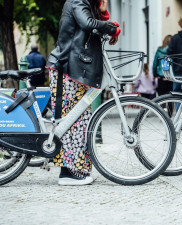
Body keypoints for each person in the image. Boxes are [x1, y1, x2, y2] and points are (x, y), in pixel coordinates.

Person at [46, 0, 121, 185]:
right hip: (67, 67)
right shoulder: (77, 1)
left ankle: (78, 168)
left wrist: (103, 15)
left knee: (80, 120)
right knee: (72, 121)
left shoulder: (85, 3)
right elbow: (87, 23)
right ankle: (67, 172)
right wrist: (110, 28)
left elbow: (93, 22)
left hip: (76, 68)